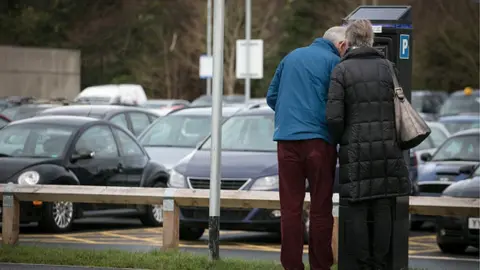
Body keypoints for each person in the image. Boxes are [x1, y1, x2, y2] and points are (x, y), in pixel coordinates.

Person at [326, 19, 411, 270]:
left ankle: (362, 264)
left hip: (356, 150)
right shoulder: (388, 67)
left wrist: (343, 138)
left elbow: (333, 117)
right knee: (383, 206)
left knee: (358, 209)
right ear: (371, 40)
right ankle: (380, 263)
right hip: (387, 149)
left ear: (349, 41)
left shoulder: (341, 70)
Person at [266, 26, 347, 270]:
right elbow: (339, 103)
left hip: (287, 140)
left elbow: (272, 97)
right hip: (320, 142)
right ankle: (320, 265)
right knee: (320, 207)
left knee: (290, 208)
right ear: (342, 45)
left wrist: (289, 117)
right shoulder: (335, 62)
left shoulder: (290, 57)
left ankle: (291, 265)